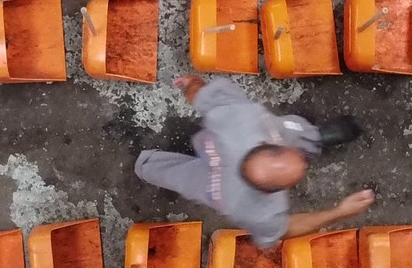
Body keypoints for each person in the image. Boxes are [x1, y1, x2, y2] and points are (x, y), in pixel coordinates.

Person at [133, 74, 377, 248]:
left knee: (296, 131)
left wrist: (191, 83)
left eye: (297, 159)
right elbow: (286, 229)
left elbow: (200, 93)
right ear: (269, 194)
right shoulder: (254, 210)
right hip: (213, 183)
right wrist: (340, 212)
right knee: (180, 176)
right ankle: (144, 166)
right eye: (301, 161)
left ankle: (317, 138)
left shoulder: (237, 117)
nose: (304, 163)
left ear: (266, 145)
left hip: (216, 146)